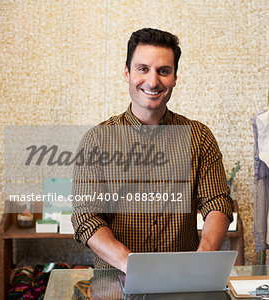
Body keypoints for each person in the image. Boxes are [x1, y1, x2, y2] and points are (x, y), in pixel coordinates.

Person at [71, 28, 233, 273]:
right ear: (127, 73)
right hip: (117, 282)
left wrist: (202, 260)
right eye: (143, 69)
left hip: (181, 279)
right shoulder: (97, 140)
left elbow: (217, 203)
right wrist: (135, 267)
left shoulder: (199, 137)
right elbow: (87, 217)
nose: (153, 81)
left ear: (175, 77)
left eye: (163, 71)